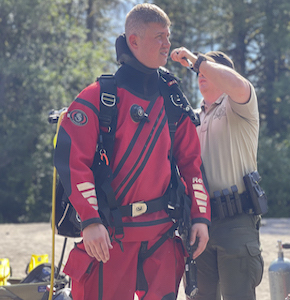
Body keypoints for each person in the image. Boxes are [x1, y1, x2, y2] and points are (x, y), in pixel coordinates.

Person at [54, 4, 210, 300]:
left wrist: (200, 216)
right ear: (133, 40)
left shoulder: (173, 99)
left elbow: (191, 164)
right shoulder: (98, 97)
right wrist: (90, 220)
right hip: (109, 237)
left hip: (162, 236)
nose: (167, 44)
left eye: (168, 36)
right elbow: (74, 164)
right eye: (159, 37)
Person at [171, 48, 264, 300]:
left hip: (237, 222)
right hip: (200, 222)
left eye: (206, 69)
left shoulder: (240, 104)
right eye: (198, 72)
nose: (200, 73)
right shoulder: (194, 118)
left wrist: (196, 60)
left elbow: (235, 83)